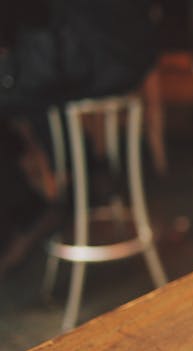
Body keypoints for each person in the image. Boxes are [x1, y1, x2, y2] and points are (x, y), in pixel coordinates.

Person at [0, 0, 159, 277]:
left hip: (90, 50)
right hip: (130, 46)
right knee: (33, 91)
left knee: (23, 88)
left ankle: (31, 207)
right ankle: (89, 172)